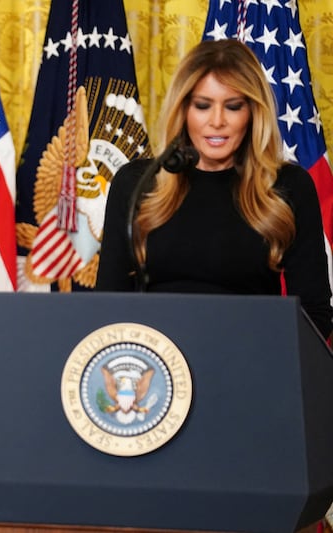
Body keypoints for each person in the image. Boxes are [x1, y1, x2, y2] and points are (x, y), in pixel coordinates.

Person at [96, 38, 333, 341]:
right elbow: (107, 307)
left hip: (251, 366)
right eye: (203, 105)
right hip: (154, 371)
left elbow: (314, 315)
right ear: (183, 109)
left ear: (253, 113)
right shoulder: (137, 183)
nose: (217, 121)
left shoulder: (288, 186)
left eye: (233, 106)